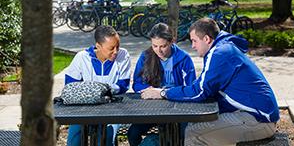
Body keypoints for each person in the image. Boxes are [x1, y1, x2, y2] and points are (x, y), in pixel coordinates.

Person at [142, 18, 279, 146]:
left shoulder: (220, 53)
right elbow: (206, 89)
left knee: (193, 133)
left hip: (259, 120)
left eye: (194, 41)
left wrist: (163, 92)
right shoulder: (223, 48)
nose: (193, 46)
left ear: (206, 39)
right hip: (252, 115)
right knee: (194, 126)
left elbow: (199, 91)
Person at [127, 23, 197, 146]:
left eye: (163, 46)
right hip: (152, 107)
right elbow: (137, 84)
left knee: (183, 135)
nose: (158, 50)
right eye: (155, 46)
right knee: (133, 133)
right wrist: (150, 90)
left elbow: (191, 88)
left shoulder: (184, 59)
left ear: (171, 42)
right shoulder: (145, 56)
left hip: (177, 108)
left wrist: (163, 92)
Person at [65, 25, 131, 146]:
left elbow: (123, 85)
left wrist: (96, 90)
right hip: (83, 109)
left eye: (118, 46)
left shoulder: (123, 55)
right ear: (98, 46)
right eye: (111, 48)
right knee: (74, 141)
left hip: (112, 108)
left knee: (106, 138)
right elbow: (69, 86)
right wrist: (100, 90)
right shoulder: (82, 57)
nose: (116, 51)